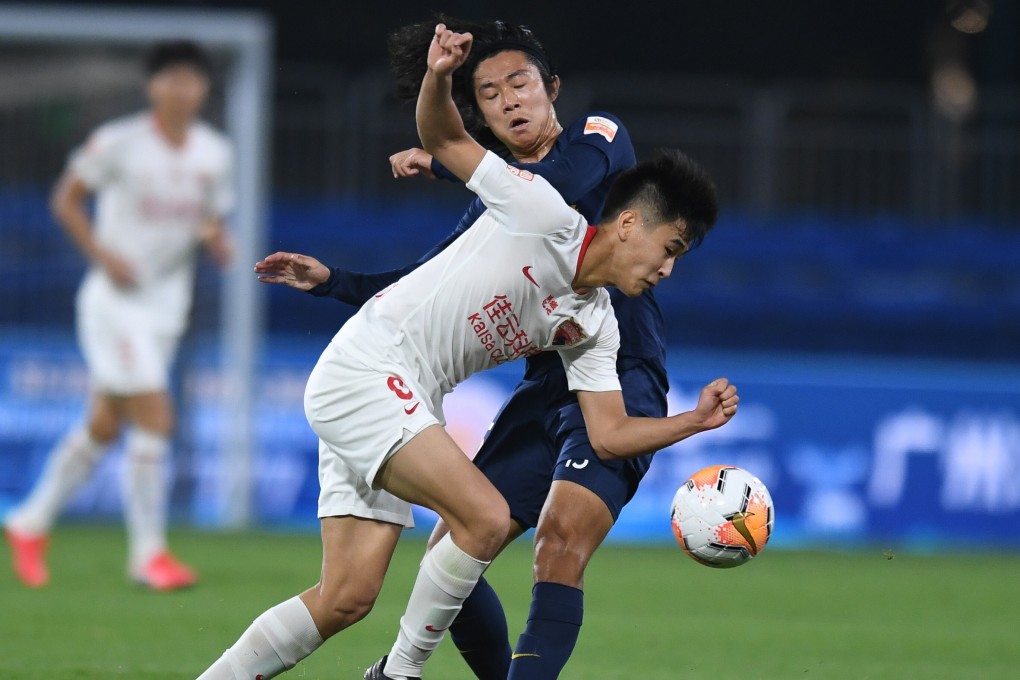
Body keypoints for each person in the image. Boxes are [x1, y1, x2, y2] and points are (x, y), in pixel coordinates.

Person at [197, 22, 732, 680]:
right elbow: (449, 139)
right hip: (370, 371)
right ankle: (398, 674)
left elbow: (611, 430)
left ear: (551, 88)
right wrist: (439, 84)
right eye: (491, 92)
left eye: (521, 83)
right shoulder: (532, 206)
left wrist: (694, 422)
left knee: (347, 597)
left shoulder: (594, 314)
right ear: (627, 224)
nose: (668, 271)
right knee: (479, 520)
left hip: (406, 391)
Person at [3, 40, 233, 591]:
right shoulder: (119, 142)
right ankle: (148, 556)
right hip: (114, 302)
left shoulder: (214, 152)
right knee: (156, 416)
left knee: (105, 424)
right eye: (171, 78)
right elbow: (66, 198)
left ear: (203, 88)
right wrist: (103, 256)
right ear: (152, 86)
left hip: (164, 308)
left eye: (191, 79)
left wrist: (217, 240)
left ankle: (28, 520)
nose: (182, 89)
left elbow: (209, 220)